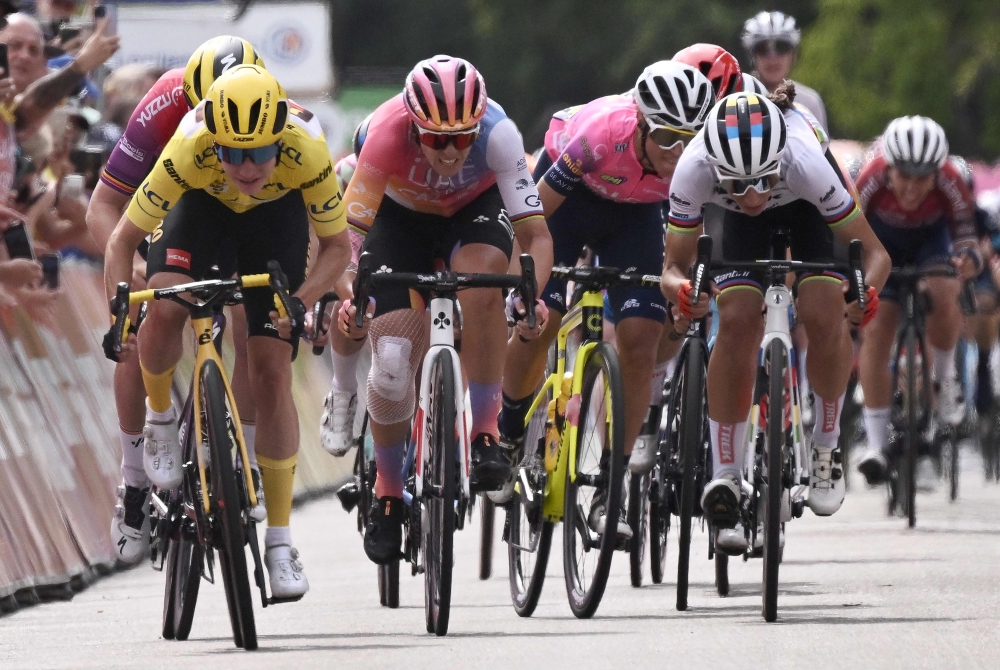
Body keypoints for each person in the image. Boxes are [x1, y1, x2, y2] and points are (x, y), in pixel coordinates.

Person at [103, 64, 351, 599]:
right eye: (231, 153)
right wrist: (118, 314)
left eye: (258, 153)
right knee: (164, 304)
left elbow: (337, 249)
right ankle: (162, 421)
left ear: (278, 139)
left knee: (270, 371)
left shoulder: (305, 147)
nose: (245, 166)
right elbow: (122, 241)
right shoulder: (190, 145)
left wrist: (302, 301)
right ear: (212, 139)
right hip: (202, 213)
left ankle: (281, 544)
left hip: (274, 224)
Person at [336, 55, 553, 565]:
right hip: (398, 219)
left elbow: (536, 237)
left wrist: (530, 296)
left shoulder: (500, 137)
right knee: (390, 360)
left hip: (471, 214)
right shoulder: (385, 135)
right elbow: (345, 245)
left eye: (463, 137)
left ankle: (484, 433)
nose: (452, 150)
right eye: (437, 139)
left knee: (483, 288)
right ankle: (389, 492)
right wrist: (353, 299)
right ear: (415, 127)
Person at [661, 88, 890, 555]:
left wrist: (866, 294)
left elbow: (875, 253)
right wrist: (683, 292)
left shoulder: (805, 160)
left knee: (824, 308)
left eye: (762, 182)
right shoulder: (695, 165)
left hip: (808, 210)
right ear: (715, 167)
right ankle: (726, 475)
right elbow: (674, 266)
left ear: (779, 161)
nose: (752, 196)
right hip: (730, 227)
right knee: (738, 317)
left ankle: (827, 447)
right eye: (738, 184)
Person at [495, 60, 714, 540]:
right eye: (666, 137)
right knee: (542, 320)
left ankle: (609, 492)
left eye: (689, 139)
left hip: (636, 219)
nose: (678, 152)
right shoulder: (599, 134)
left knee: (639, 342)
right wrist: (519, 285)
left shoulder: (696, 161)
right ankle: (508, 433)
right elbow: (532, 219)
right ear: (639, 124)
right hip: (570, 206)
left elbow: (685, 246)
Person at [91, 36, 266, 566]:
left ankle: (242, 460)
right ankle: (135, 476)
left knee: (254, 324)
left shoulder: (276, 115)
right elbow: (103, 208)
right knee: (148, 314)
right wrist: (132, 276)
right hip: (170, 202)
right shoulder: (166, 103)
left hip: (247, 205)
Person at [855, 117, 980, 487]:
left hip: (932, 242)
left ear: (937, 172)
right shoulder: (870, 177)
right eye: (903, 176)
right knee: (877, 328)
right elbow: (848, 233)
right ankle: (876, 444)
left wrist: (968, 261)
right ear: (888, 167)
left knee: (946, 288)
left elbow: (966, 236)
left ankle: (945, 379)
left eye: (922, 178)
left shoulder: (952, 180)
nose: (911, 188)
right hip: (882, 244)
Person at [741, 10, 827, 131]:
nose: (772, 57)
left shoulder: (810, 102)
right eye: (762, 49)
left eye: (781, 47)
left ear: (793, 55)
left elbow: (821, 148)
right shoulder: (737, 100)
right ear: (752, 56)